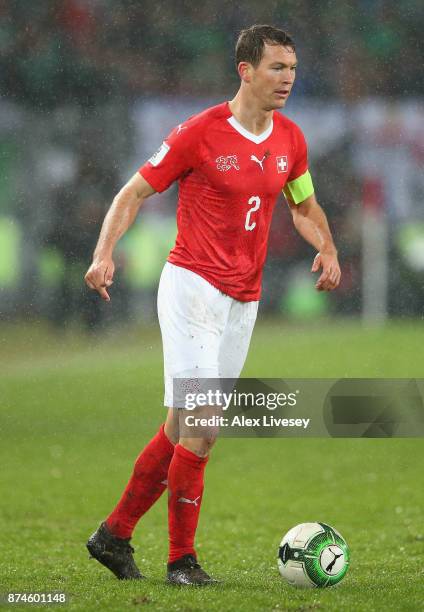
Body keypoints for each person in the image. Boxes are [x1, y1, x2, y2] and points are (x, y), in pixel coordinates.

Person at [84, 24, 341, 586]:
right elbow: (133, 192)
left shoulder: (291, 139)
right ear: (245, 71)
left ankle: (114, 534)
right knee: (206, 425)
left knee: (181, 429)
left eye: (293, 69)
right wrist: (105, 253)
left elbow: (303, 204)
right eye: (277, 68)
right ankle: (182, 562)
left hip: (242, 301)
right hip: (192, 288)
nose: (288, 79)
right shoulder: (199, 133)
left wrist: (327, 246)